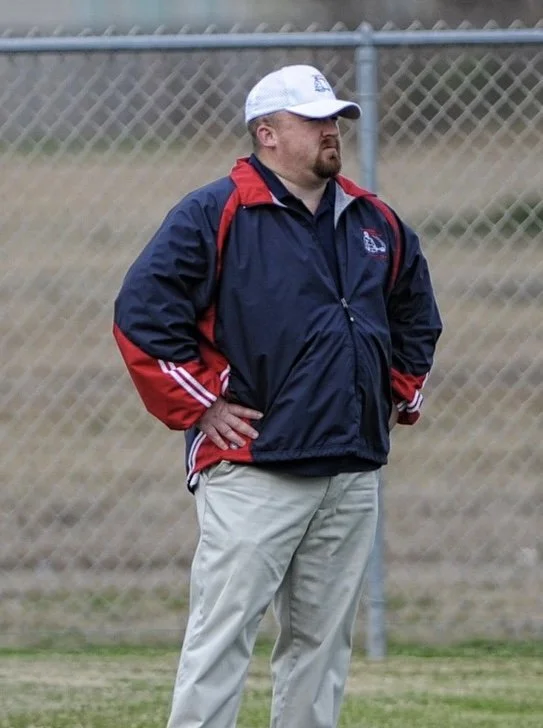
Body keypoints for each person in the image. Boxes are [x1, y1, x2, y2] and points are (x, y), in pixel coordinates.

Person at [113, 64, 442, 728]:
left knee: (321, 647)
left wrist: (395, 394)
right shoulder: (215, 212)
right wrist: (203, 405)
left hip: (349, 469)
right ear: (267, 133)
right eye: (314, 119)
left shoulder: (372, 219)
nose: (332, 131)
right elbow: (141, 316)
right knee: (221, 638)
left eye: (336, 119)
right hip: (253, 468)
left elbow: (416, 315)